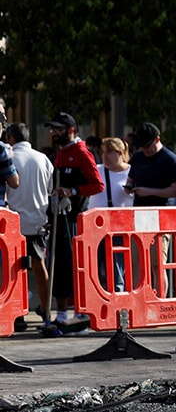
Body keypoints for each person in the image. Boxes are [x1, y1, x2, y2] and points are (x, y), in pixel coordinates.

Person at [45, 112, 103, 336]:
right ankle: (60, 316)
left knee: (74, 266)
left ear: (70, 130)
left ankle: (80, 315)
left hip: (75, 220)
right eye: (52, 129)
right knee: (59, 265)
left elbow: (97, 185)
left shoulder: (81, 152)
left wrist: (74, 191)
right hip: (59, 217)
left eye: (58, 129)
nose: (53, 133)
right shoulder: (60, 154)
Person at [5, 123, 51, 331]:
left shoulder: (10, 156)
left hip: (13, 222)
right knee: (39, 266)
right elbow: (49, 188)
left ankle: (18, 314)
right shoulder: (43, 159)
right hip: (37, 221)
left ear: (11, 138)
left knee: (12, 270)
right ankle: (46, 308)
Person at [86, 137, 135, 295]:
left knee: (116, 268)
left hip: (119, 227)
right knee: (93, 268)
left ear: (120, 153)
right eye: (103, 152)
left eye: (109, 152)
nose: (104, 156)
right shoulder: (98, 170)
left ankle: (118, 300)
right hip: (95, 226)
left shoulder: (131, 172)